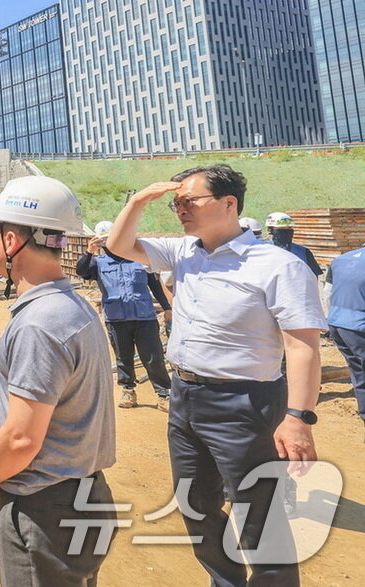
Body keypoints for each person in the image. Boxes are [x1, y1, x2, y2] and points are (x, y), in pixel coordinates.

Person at [108, 164, 324, 587]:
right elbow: (118, 246)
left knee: (258, 514)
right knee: (195, 504)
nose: (180, 209)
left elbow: (303, 347)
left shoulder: (275, 265)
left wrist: (299, 417)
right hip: (185, 395)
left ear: (229, 203)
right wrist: (137, 202)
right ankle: (225, 581)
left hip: (245, 403)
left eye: (190, 200)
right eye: (176, 203)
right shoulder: (184, 252)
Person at [0, 176, 118, 587]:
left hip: (44, 511)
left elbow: (21, 439)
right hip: (84, 495)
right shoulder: (73, 307)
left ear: (11, 239)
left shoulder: (39, 323)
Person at [76, 221, 174, 411]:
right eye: (105, 240)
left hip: (145, 317)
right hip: (116, 318)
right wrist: (89, 251)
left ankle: (163, 394)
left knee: (153, 357)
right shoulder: (98, 263)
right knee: (123, 357)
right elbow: (82, 271)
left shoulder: (140, 261)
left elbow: (155, 286)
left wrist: (166, 308)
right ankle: (128, 391)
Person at [326, 244, 365, 436]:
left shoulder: (341, 259)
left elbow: (328, 293)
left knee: (358, 372)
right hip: (360, 327)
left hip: (338, 324)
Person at [265, 212, 323, 276]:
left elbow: (313, 276)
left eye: (290, 228)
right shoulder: (263, 251)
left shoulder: (304, 252)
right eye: (282, 229)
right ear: (270, 230)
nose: (286, 232)